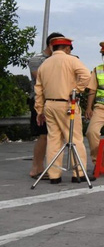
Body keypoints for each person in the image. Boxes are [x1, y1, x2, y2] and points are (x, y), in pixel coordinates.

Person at [34, 36, 92, 183]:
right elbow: (86, 75)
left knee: (54, 140)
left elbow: (38, 89)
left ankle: (54, 175)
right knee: (74, 138)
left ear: (53, 47)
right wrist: (76, 90)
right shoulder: (71, 60)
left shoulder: (44, 65)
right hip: (67, 103)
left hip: (49, 105)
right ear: (67, 48)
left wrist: (39, 110)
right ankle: (78, 173)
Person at [27, 32, 65, 179]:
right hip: (39, 101)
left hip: (56, 101)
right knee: (43, 135)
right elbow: (41, 78)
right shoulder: (37, 59)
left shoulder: (62, 60)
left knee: (54, 136)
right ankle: (36, 167)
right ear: (51, 45)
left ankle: (50, 168)